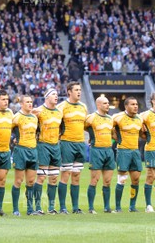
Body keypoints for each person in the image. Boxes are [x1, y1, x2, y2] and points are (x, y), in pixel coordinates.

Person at [56, 82, 88, 214]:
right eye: (76, 90)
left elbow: (86, 124)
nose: (79, 92)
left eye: (80, 90)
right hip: (66, 143)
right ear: (69, 92)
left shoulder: (83, 107)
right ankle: (63, 207)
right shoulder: (62, 106)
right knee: (66, 174)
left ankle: (75, 207)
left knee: (76, 175)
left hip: (80, 143)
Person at [34, 88, 63, 215]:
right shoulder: (38, 111)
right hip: (43, 145)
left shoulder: (59, 112)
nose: (56, 96)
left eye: (57, 94)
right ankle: (38, 206)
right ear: (47, 97)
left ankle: (51, 207)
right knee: (41, 177)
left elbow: (62, 129)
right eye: (53, 94)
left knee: (54, 178)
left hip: (55, 146)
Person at [112, 97, 143, 212]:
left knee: (136, 179)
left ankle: (132, 207)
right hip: (123, 151)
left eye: (136, 104)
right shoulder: (117, 117)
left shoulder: (140, 119)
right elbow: (109, 127)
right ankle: (118, 207)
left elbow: (142, 132)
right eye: (132, 104)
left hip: (135, 151)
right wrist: (115, 137)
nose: (135, 106)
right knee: (122, 179)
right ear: (126, 106)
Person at [85, 95, 115, 214]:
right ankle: (91, 208)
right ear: (98, 105)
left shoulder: (110, 119)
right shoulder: (90, 118)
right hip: (96, 150)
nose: (108, 105)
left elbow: (112, 133)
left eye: (108, 103)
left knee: (107, 181)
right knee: (94, 179)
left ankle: (107, 207)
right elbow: (84, 127)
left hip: (108, 150)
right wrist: (92, 138)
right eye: (105, 103)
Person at [11, 94, 39, 216]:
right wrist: (13, 139)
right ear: (21, 104)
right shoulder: (16, 117)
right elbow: (8, 130)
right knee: (18, 180)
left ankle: (30, 209)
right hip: (21, 150)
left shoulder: (34, 117)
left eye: (31, 101)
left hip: (33, 150)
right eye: (27, 102)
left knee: (31, 181)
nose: (30, 104)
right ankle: (15, 209)